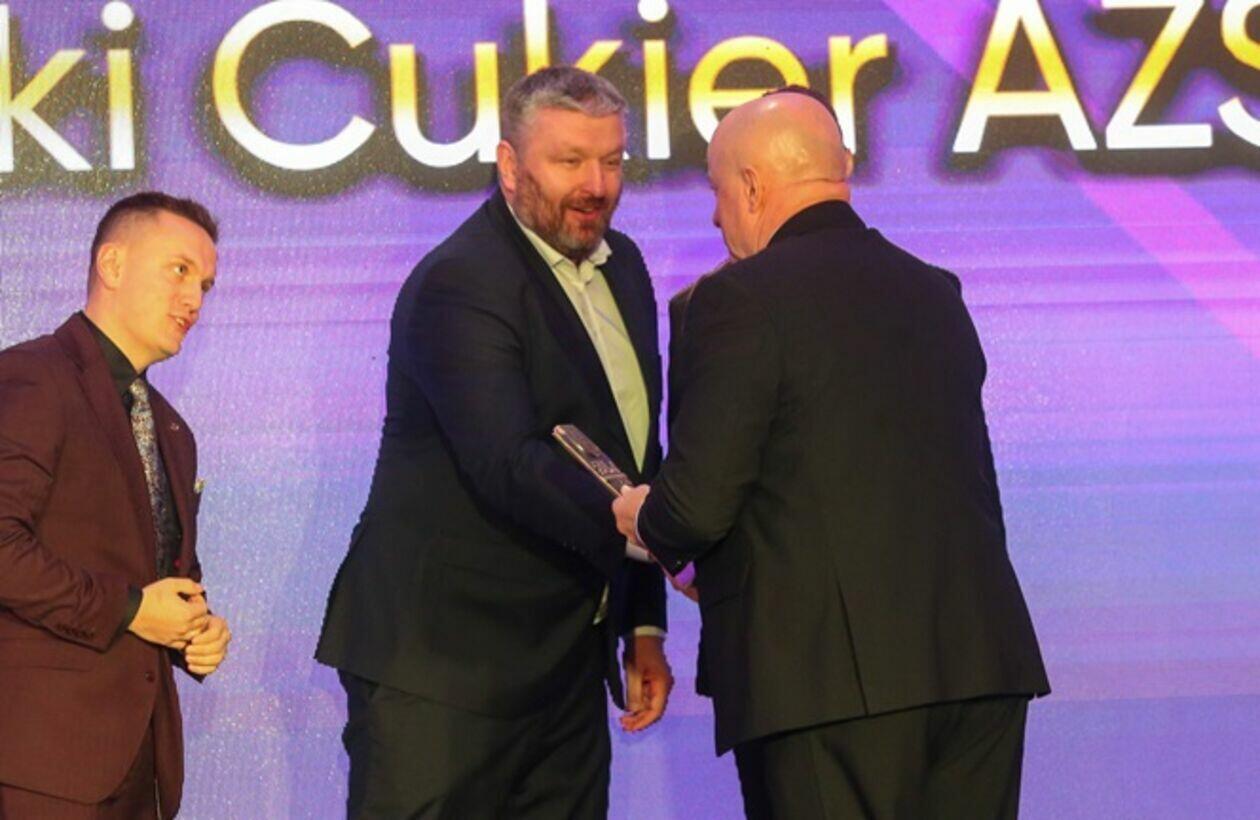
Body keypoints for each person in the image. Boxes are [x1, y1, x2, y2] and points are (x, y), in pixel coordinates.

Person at [613, 91, 1050, 818]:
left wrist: (643, 518)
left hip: (827, 689)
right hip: (978, 669)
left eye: (718, 194)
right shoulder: (934, 291)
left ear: (752, 186)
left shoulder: (738, 300)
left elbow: (693, 509)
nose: (717, 218)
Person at [316, 66, 672, 818]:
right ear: (509, 165)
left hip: (568, 667)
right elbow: (508, 462)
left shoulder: (627, 269)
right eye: (569, 161)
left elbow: (631, 460)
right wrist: (661, 536)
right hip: (442, 670)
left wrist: (642, 622)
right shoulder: (462, 281)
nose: (597, 185)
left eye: (611, 161)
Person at [0, 191, 232, 818]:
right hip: (41, 766)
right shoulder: (32, 377)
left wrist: (195, 630)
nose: (194, 299)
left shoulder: (173, 430)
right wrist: (131, 609)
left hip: (142, 770)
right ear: (112, 264)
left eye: (205, 285)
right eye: (179, 270)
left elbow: (166, 579)